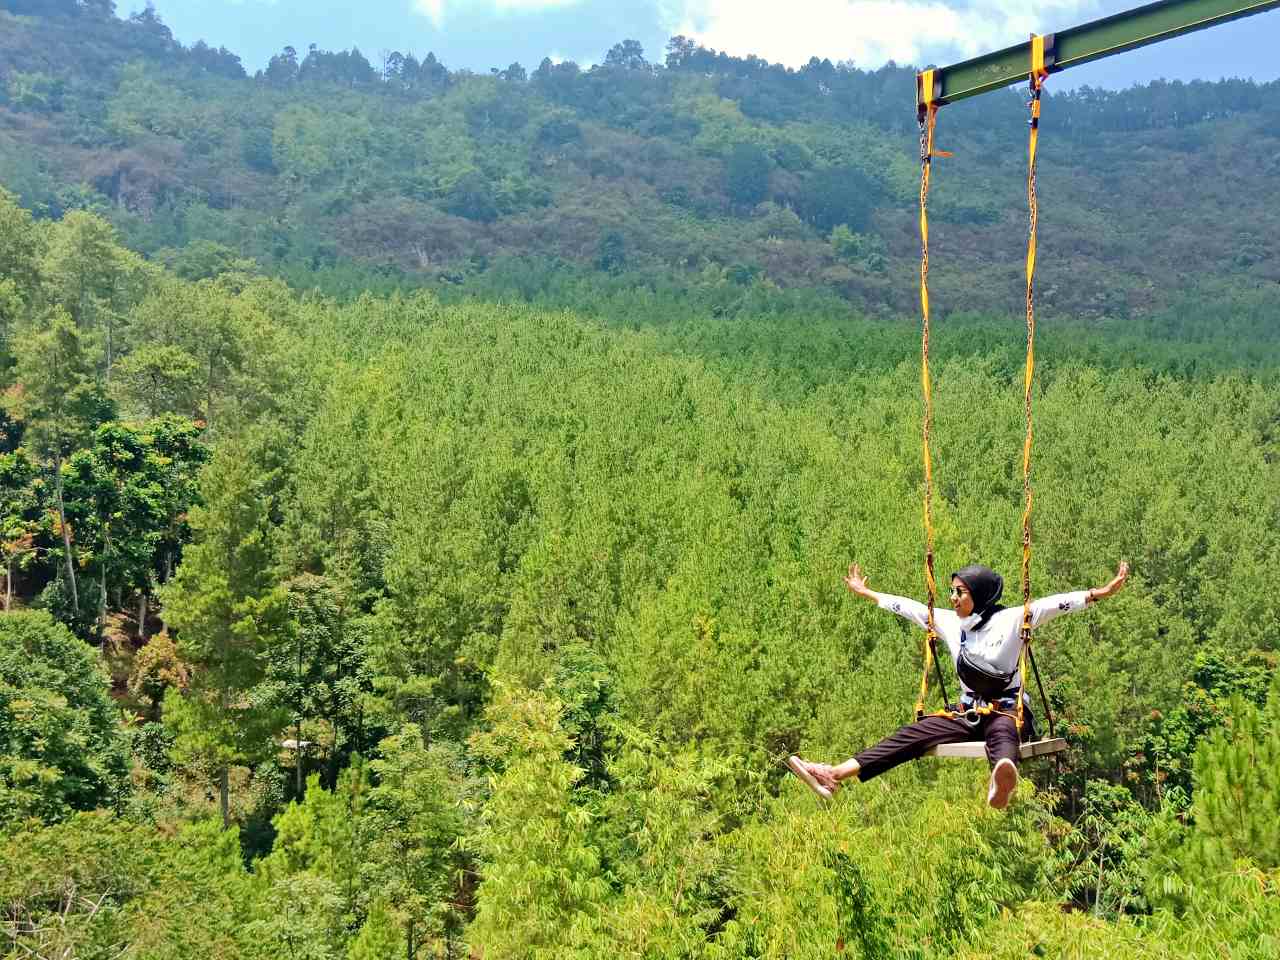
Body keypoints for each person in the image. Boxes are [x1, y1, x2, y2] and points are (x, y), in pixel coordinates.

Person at [788, 559, 1129, 809]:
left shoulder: (1013, 619)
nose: (952, 598)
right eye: (951, 591)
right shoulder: (951, 623)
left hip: (1007, 711)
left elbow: (1055, 604)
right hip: (967, 713)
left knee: (1003, 732)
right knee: (911, 736)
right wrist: (868, 593)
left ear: (977, 595)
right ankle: (833, 774)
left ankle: (1002, 779)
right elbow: (909, 608)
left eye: (959, 592)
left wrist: (1100, 593)